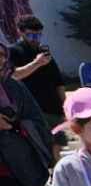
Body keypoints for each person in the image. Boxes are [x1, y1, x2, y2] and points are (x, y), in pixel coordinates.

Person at [0, 47, 52, 186]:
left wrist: (14, 126)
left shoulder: (15, 86)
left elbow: (35, 117)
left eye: (1, 55)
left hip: (15, 155)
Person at [8, 16, 65, 161]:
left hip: (53, 109)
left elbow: (58, 82)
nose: (36, 39)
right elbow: (13, 75)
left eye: (38, 35)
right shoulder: (13, 51)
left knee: (56, 145)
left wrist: (64, 105)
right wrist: (37, 63)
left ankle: (57, 180)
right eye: (31, 35)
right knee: (35, 147)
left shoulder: (45, 54)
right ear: (20, 33)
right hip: (30, 110)